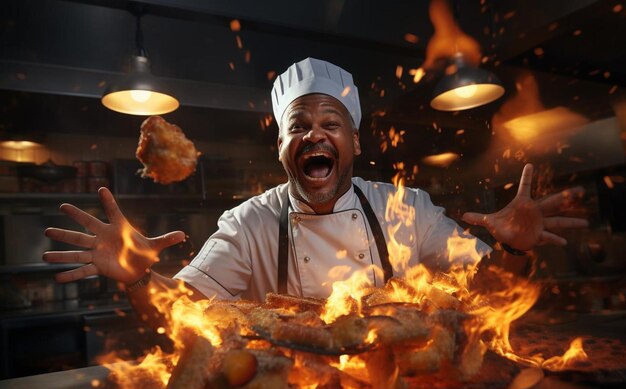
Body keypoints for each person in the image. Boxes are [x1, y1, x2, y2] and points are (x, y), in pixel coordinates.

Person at [43, 57, 587, 328]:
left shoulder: (407, 208)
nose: (314, 135)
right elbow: (184, 311)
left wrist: (515, 248)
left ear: (353, 140)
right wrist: (140, 276)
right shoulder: (247, 223)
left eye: (331, 122)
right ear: (282, 146)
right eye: (297, 125)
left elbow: (491, 295)